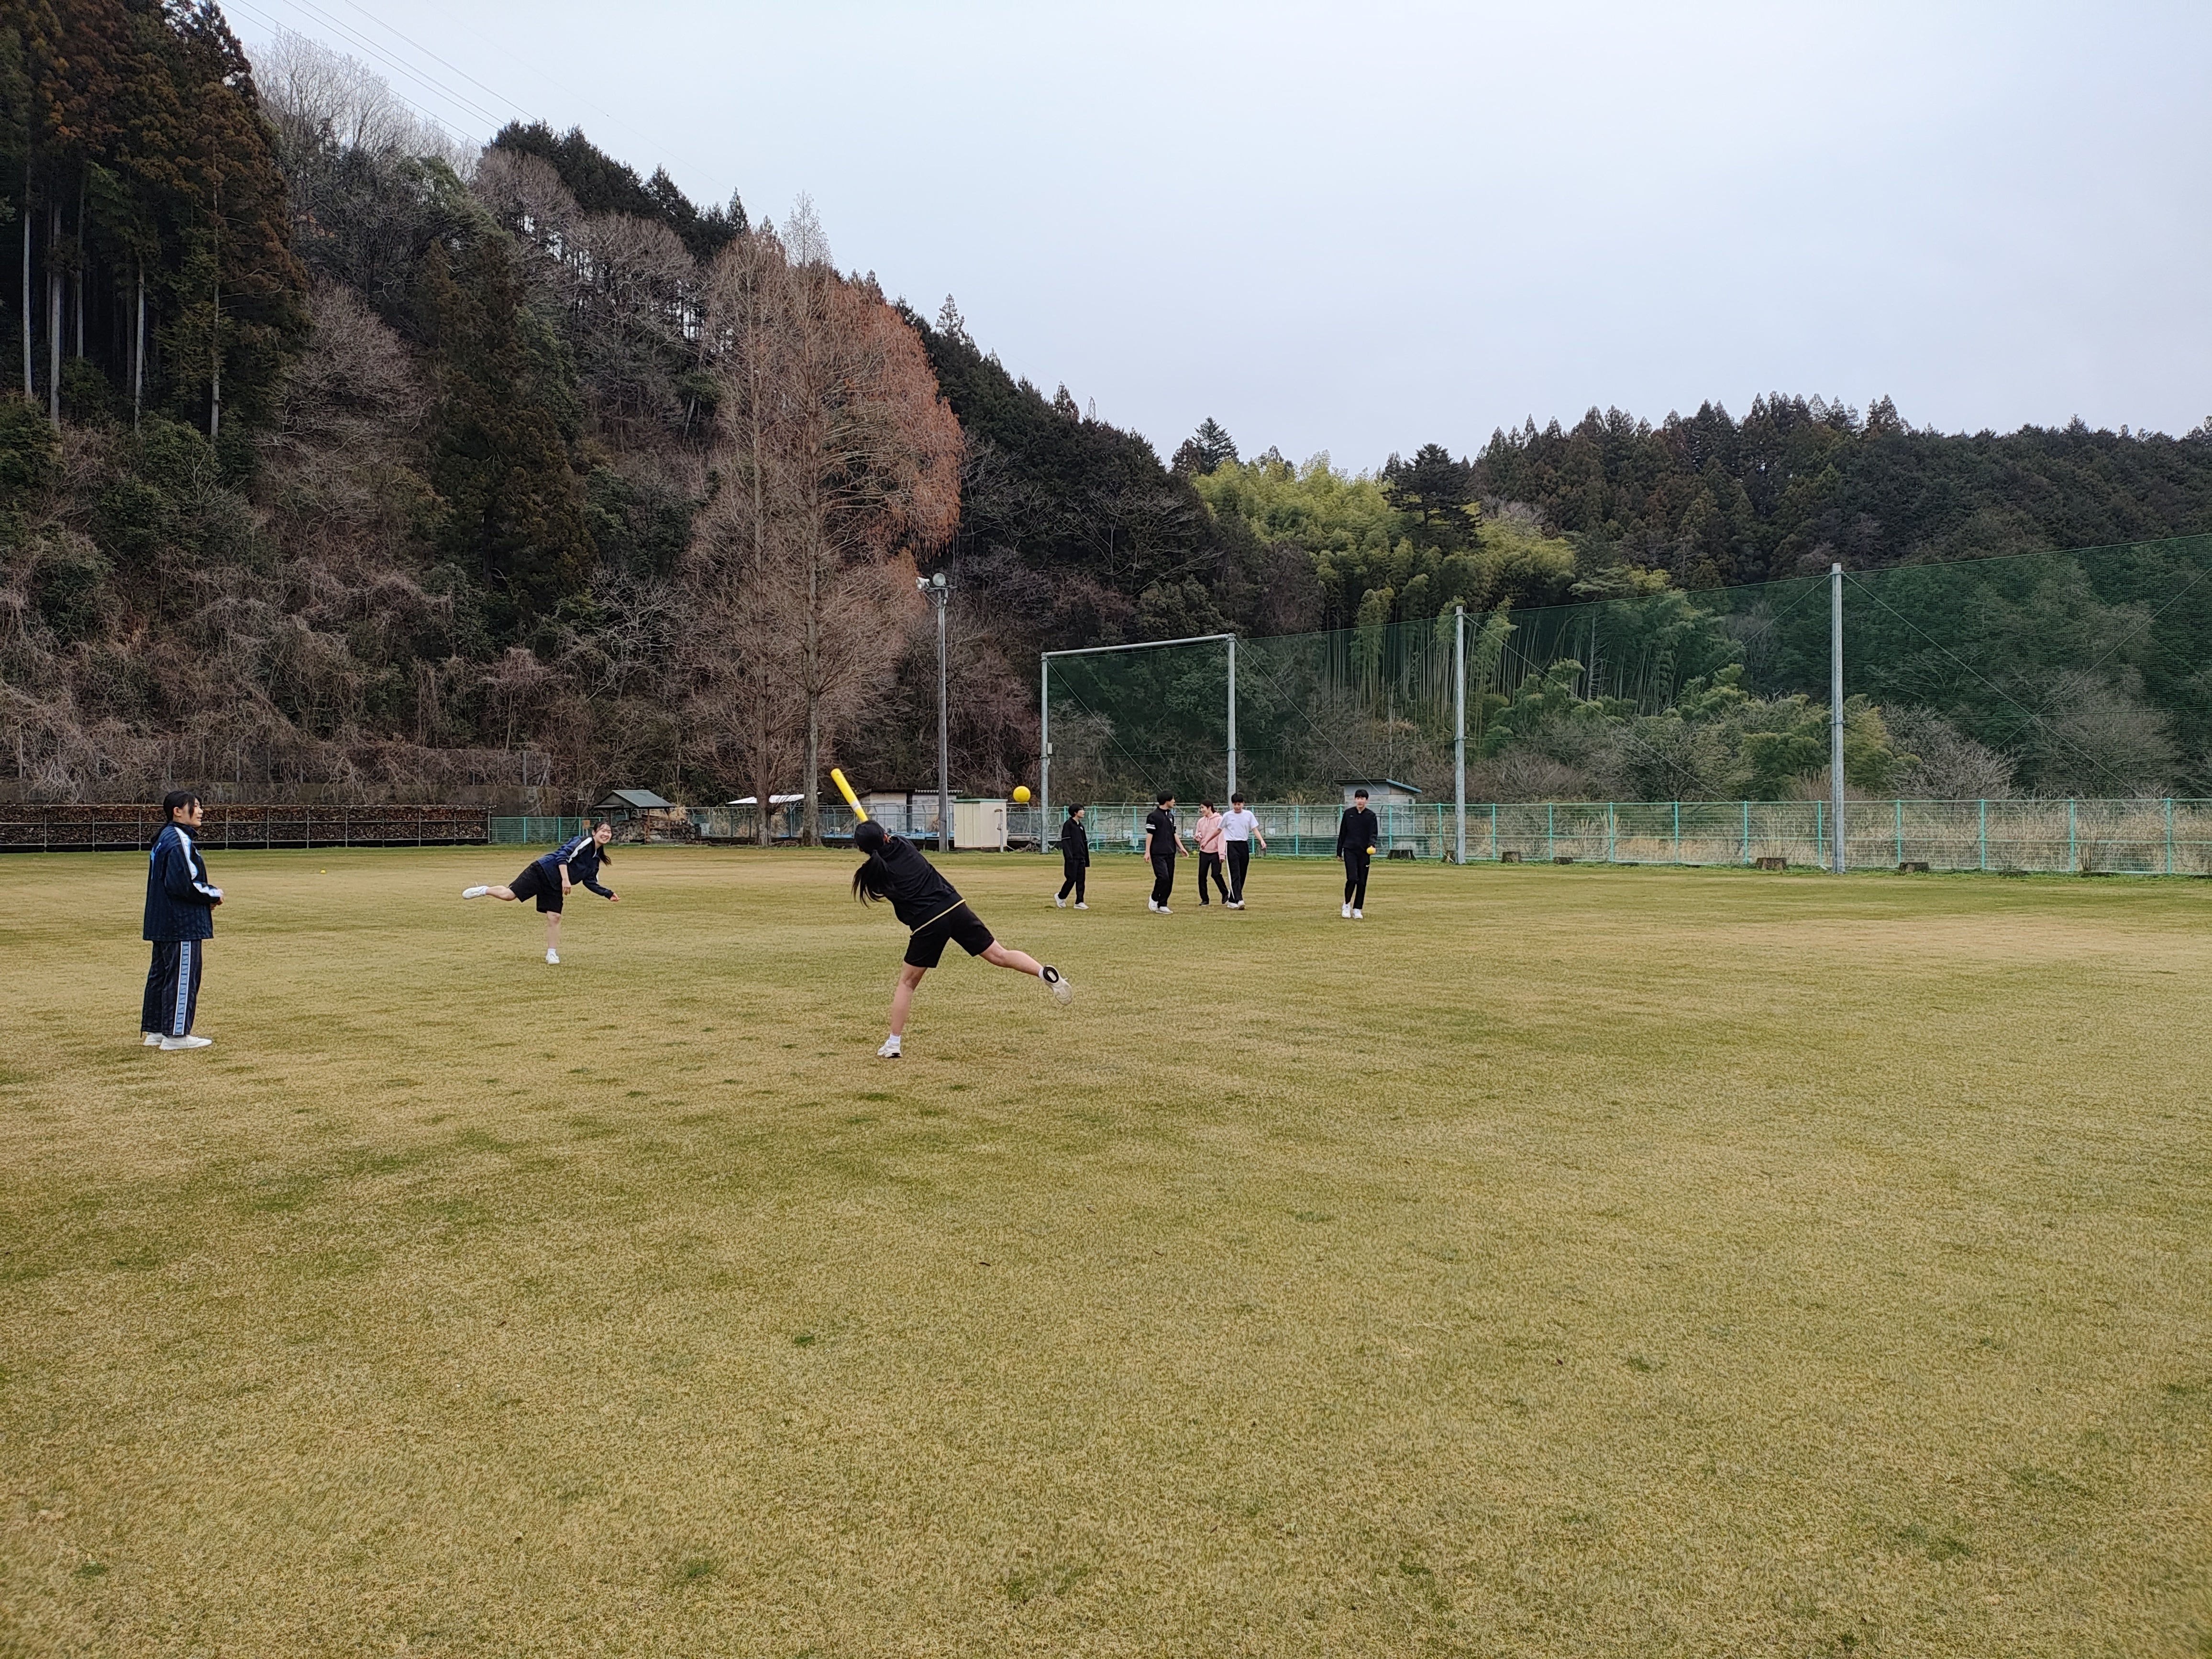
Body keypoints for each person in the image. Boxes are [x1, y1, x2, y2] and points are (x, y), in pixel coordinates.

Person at [851, 818, 1070, 1057]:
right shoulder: (904, 845)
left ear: (862, 850)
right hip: (955, 907)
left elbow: (879, 858)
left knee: (907, 984)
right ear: (886, 836)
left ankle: (894, 1044)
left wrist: (874, 841)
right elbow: (891, 842)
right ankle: (1043, 972)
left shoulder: (872, 874)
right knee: (999, 954)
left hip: (927, 923)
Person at [462, 819, 620, 963]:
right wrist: (566, 880)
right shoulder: (584, 842)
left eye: (609, 832)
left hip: (555, 885)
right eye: (603, 830)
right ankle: (484, 890)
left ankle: (552, 954)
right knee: (508, 896)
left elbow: (590, 881)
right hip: (543, 871)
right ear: (594, 832)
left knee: (555, 917)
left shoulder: (595, 860)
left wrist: (607, 893)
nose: (606, 834)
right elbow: (562, 856)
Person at [142, 790, 224, 1051]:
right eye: (195, 806)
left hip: (163, 920)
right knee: (182, 976)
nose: (200, 811)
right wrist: (214, 894)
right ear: (178, 811)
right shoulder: (179, 839)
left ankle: (157, 1030)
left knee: (162, 975)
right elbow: (185, 884)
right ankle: (176, 1035)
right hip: (181, 923)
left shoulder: (164, 838)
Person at [1337, 788, 1379, 918]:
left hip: (1364, 852)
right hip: (1350, 850)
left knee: (1362, 881)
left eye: (1362, 798)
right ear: (1355, 799)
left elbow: (1373, 833)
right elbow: (1343, 833)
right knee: (1352, 878)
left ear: (1367, 800)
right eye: (1358, 798)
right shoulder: (1348, 814)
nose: (1360, 801)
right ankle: (1347, 904)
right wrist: (1339, 852)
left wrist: (1372, 845)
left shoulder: (1371, 816)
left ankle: (1357, 909)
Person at [1220, 792, 1267, 908]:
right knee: (1235, 872)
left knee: (1242, 873)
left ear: (1243, 804)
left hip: (1243, 845)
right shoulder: (1228, 816)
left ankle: (1232, 900)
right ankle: (1239, 899)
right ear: (1232, 804)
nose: (1237, 807)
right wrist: (1207, 840)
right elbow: (1218, 830)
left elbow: (1255, 829)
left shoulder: (1248, 815)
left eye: (1239, 804)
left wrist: (1261, 840)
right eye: (1235, 804)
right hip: (1231, 845)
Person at [1144, 791, 1187, 914]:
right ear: (1166, 800)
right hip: (1158, 852)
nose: (1174, 802)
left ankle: (1163, 904)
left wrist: (1181, 847)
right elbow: (1150, 835)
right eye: (1173, 799)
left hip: (1170, 852)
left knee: (1170, 879)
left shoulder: (1171, 816)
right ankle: (1154, 897)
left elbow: (1174, 833)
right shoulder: (1153, 816)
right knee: (1163, 877)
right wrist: (1147, 852)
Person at [1193, 799, 1229, 906]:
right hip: (1204, 852)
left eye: (1203, 808)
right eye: (1200, 808)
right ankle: (1205, 899)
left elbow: (1222, 838)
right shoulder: (1201, 822)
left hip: (1216, 852)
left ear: (1209, 808)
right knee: (1202, 876)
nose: (1201, 810)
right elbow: (1198, 835)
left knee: (1216, 874)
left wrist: (1222, 854)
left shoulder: (1219, 820)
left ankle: (1225, 893)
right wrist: (1197, 838)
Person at [1055, 804, 1090, 908]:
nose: (1083, 812)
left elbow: (1084, 843)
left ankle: (1079, 902)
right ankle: (1061, 897)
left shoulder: (1081, 826)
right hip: (1072, 858)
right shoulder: (1069, 825)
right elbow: (1066, 842)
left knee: (1081, 880)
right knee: (1071, 879)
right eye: (1081, 810)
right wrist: (1069, 857)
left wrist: (1086, 859)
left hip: (1081, 858)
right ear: (1075, 812)